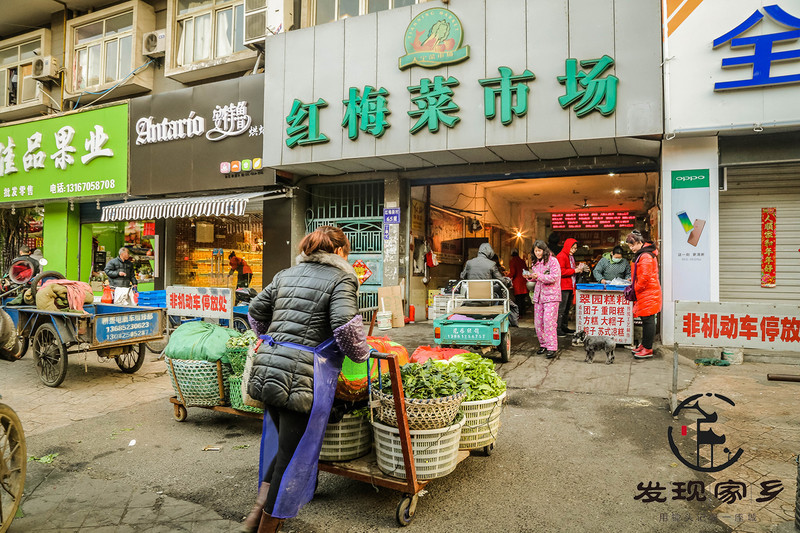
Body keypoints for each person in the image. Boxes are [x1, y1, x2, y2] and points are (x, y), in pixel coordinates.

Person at [245, 226, 371, 533]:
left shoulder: (286, 274)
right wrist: (363, 354)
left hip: (268, 368)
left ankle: (256, 514)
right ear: (340, 252)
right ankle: (265, 526)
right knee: (290, 456)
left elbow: (254, 312)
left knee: (285, 448)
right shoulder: (342, 278)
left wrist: (274, 338)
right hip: (301, 377)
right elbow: (345, 328)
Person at [626, 230, 662, 358]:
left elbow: (644, 278)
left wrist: (634, 288)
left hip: (648, 293)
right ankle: (644, 345)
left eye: (633, 245)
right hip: (646, 293)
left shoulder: (646, 256)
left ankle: (647, 348)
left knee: (648, 320)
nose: (631, 248)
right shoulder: (644, 254)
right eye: (629, 246)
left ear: (640, 242)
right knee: (646, 319)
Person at [527, 241, 561, 359]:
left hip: (551, 296)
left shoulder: (553, 261)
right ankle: (544, 344)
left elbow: (554, 277)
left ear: (544, 250)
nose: (537, 253)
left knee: (549, 322)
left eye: (539, 250)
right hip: (539, 296)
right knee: (538, 323)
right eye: (535, 251)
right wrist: (530, 277)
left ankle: (552, 348)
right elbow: (536, 279)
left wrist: (539, 276)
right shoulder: (535, 263)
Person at [555, 238, 589, 336]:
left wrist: (577, 269)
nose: (573, 250)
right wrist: (575, 271)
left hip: (569, 286)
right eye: (572, 248)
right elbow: (560, 272)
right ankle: (558, 328)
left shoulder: (570, 257)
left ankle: (564, 327)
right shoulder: (561, 256)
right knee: (561, 308)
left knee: (566, 308)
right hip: (563, 286)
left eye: (575, 248)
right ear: (567, 246)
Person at [508, 250, 529, 317]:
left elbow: (513, 273)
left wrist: (506, 277)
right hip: (524, 281)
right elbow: (526, 270)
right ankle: (523, 312)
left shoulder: (512, 261)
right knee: (522, 299)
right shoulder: (522, 261)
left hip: (517, 283)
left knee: (518, 299)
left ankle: (519, 314)